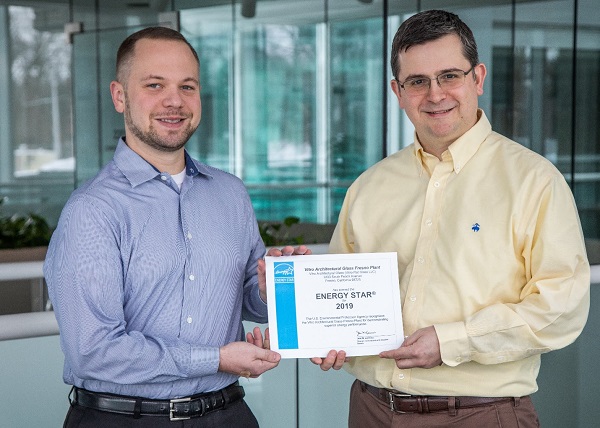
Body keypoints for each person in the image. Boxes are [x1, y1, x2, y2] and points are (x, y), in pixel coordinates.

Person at [312, 9, 590, 428]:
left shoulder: (534, 182)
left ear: (477, 78)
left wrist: (451, 341)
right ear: (397, 91)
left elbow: (561, 309)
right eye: (417, 81)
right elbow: (338, 295)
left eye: (449, 76)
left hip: (481, 414)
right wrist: (319, 328)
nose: (435, 94)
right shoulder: (369, 188)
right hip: (371, 410)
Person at [44, 26, 308, 427]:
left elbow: (249, 301)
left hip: (227, 414)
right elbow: (93, 350)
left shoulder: (230, 193)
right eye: (154, 84)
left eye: (187, 86)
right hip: (123, 419)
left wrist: (274, 288)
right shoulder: (93, 209)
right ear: (120, 96)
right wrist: (216, 358)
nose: (174, 101)